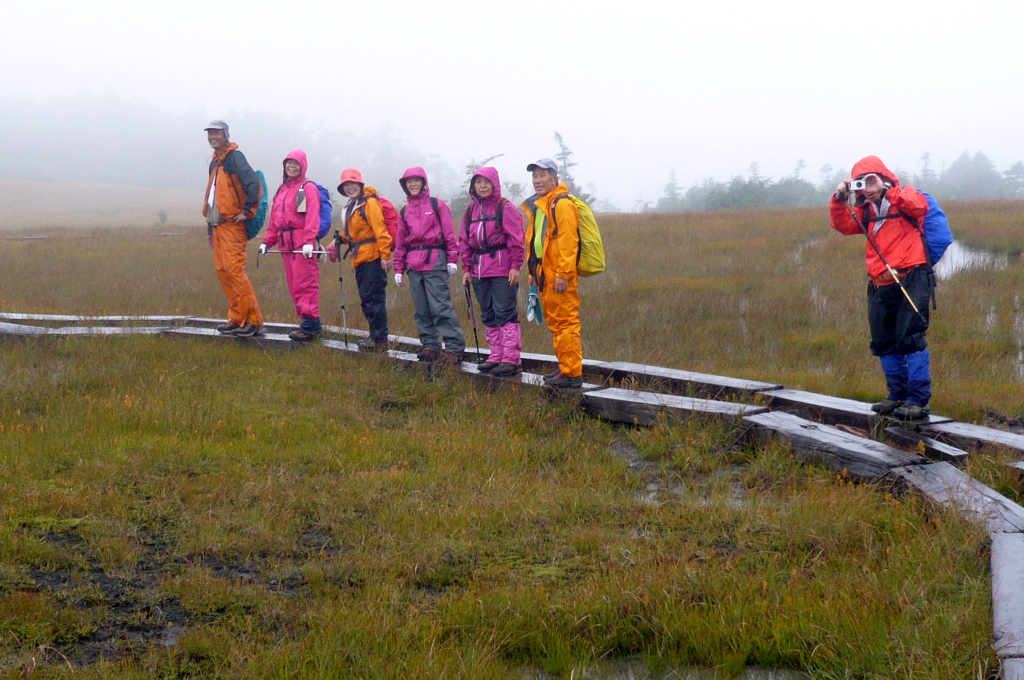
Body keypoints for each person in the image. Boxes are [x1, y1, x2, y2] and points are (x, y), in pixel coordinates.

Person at [829, 156, 933, 419]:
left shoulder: (905, 195)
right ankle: (896, 395)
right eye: (861, 182)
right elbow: (843, 226)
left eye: (871, 179)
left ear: (884, 177)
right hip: (880, 282)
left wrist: (888, 191)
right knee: (884, 341)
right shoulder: (865, 211)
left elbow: (920, 206)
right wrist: (838, 200)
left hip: (912, 276)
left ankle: (918, 401)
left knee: (910, 338)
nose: (867, 187)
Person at [520, 159, 583, 388]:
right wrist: (532, 273)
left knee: (566, 323)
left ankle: (572, 374)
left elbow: (569, 242)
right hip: (544, 276)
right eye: (535, 176)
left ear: (555, 178)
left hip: (559, 277)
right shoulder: (540, 206)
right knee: (557, 324)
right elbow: (537, 243)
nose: (537, 180)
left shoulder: (561, 205)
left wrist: (564, 275)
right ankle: (565, 367)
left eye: (543, 175)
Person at [393, 167, 465, 364]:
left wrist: (452, 259)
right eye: (409, 182)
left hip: (435, 260)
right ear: (405, 186)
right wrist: (398, 268)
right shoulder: (405, 211)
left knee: (440, 306)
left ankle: (454, 347)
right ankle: (430, 345)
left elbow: (449, 233)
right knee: (421, 308)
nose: (413, 185)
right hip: (413, 264)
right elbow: (400, 241)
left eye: (416, 181)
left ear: (424, 183)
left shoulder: (436, 205)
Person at [458, 167, 524, 377]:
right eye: (478, 182)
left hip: (502, 269)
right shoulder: (471, 211)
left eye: (486, 182)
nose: (482, 186)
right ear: (473, 186)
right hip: (478, 270)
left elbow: (516, 239)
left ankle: (511, 359)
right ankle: (495, 356)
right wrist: (466, 268)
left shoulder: (505, 207)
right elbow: (465, 242)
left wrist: (515, 266)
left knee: (505, 312)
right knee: (488, 313)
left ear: (494, 184)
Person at [202, 120, 264, 337]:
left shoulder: (235, 158)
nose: (213, 137)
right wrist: (210, 228)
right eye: (210, 134)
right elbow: (213, 197)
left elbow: (253, 184)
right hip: (218, 225)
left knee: (235, 271)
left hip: (233, 225)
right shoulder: (215, 162)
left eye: (217, 133)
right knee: (223, 271)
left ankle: (253, 321)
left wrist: (246, 212)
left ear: (226, 135)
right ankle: (236, 318)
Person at [258, 150, 322, 342]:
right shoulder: (282, 189)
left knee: (306, 284)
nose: (291, 166)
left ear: (303, 166)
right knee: (295, 285)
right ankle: (307, 323)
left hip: (301, 244)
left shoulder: (306, 188)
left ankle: (311, 326)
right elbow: (275, 221)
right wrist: (267, 241)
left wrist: (309, 241)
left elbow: (311, 215)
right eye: (288, 163)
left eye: (296, 163)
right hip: (286, 244)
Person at [335, 169, 393, 352]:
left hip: (373, 257)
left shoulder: (370, 203)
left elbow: (380, 230)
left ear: (360, 184)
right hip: (359, 258)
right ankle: (374, 337)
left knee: (374, 299)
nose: (349, 188)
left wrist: (385, 256)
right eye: (346, 185)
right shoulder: (353, 206)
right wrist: (340, 239)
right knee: (366, 299)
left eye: (352, 184)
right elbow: (353, 233)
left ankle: (380, 341)